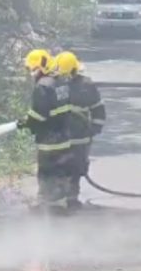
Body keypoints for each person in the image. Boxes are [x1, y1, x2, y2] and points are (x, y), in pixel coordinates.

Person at [16, 49, 74, 210]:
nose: (30, 72)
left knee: (46, 173)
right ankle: (61, 203)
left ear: (39, 68)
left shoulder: (42, 86)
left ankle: (45, 205)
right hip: (64, 137)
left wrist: (26, 123)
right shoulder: (61, 81)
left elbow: (39, 115)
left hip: (49, 140)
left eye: (31, 68)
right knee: (61, 172)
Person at [55, 51, 106, 210]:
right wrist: (95, 128)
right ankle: (70, 200)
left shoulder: (55, 85)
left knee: (63, 169)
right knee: (75, 169)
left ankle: (62, 200)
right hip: (79, 138)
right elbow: (98, 109)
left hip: (62, 139)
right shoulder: (86, 84)